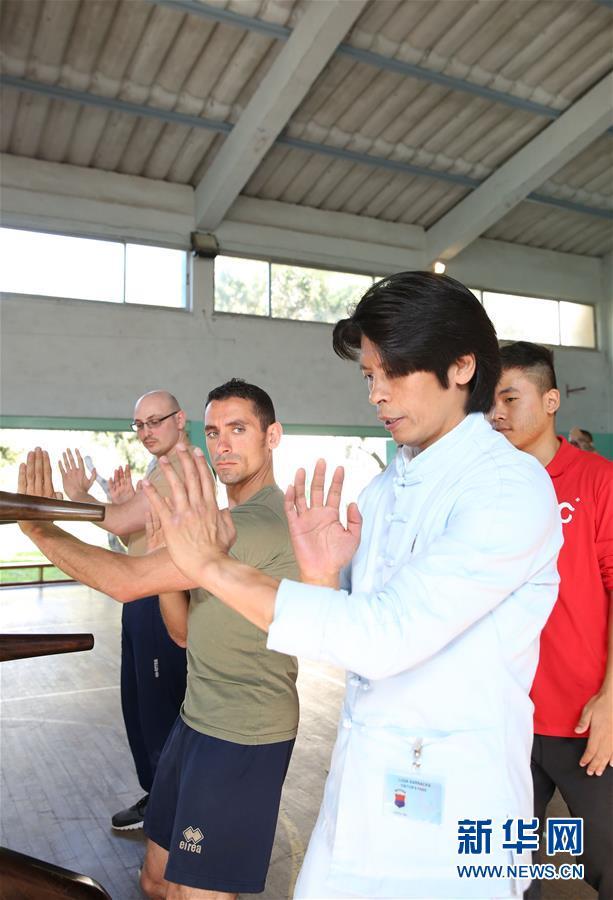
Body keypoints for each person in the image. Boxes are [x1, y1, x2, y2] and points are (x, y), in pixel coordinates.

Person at [142, 272, 563, 900]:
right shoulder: (384, 490)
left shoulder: (508, 489)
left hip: (455, 804)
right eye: (369, 376)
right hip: (363, 785)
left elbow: (385, 638)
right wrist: (322, 577)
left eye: (395, 372)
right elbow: (341, 634)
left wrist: (210, 566)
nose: (377, 394)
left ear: (462, 366)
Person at [18, 379, 299, 900]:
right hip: (196, 722)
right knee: (155, 880)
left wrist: (39, 528)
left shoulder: (254, 524)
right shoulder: (218, 524)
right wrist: (171, 557)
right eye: (214, 432)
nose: (222, 445)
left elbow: (126, 581)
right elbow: (182, 632)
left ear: (272, 436)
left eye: (238, 430)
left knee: (195, 893)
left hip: (241, 734)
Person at [491, 341, 613, 899]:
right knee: (499, 872)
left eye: (510, 398)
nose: (496, 413)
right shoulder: (487, 489)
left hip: (585, 721)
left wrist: (611, 699)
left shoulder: (596, 480)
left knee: (604, 860)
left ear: (551, 401)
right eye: (489, 401)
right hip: (504, 719)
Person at [58, 390, 189, 831]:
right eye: (140, 424)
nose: (146, 431)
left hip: (161, 597)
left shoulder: (179, 467)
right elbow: (132, 539)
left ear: (179, 420)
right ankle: (158, 794)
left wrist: (80, 496)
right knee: (138, 703)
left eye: (156, 421)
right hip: (141, 593)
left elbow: (116, 520)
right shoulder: (158, 467)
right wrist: (122, 506)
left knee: (158, 707)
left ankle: (169, 806)